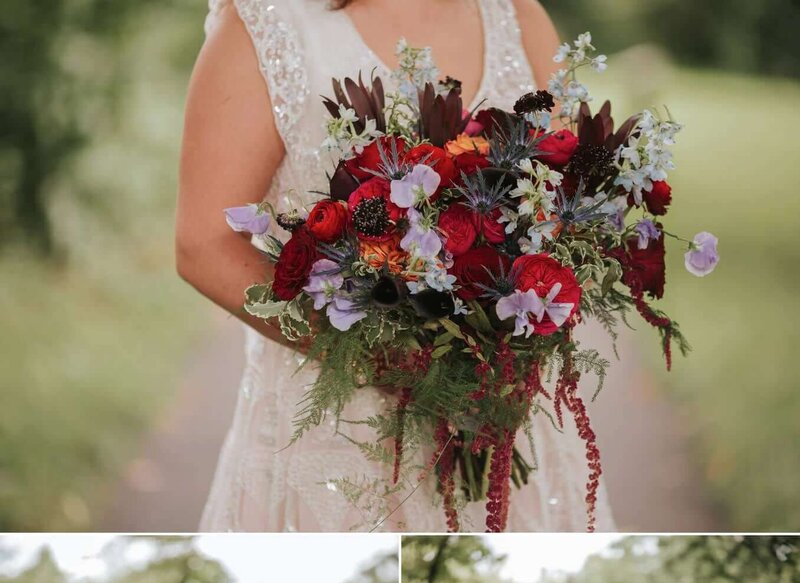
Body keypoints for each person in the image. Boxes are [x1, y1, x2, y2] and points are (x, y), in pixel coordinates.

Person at [175, 0, 615, 532]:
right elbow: (204, 244)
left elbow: (574, 197)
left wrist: (509, 335)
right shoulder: (267, 24)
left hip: (509, 429)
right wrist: (389, 359)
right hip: (341, 437)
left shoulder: (517, 14)